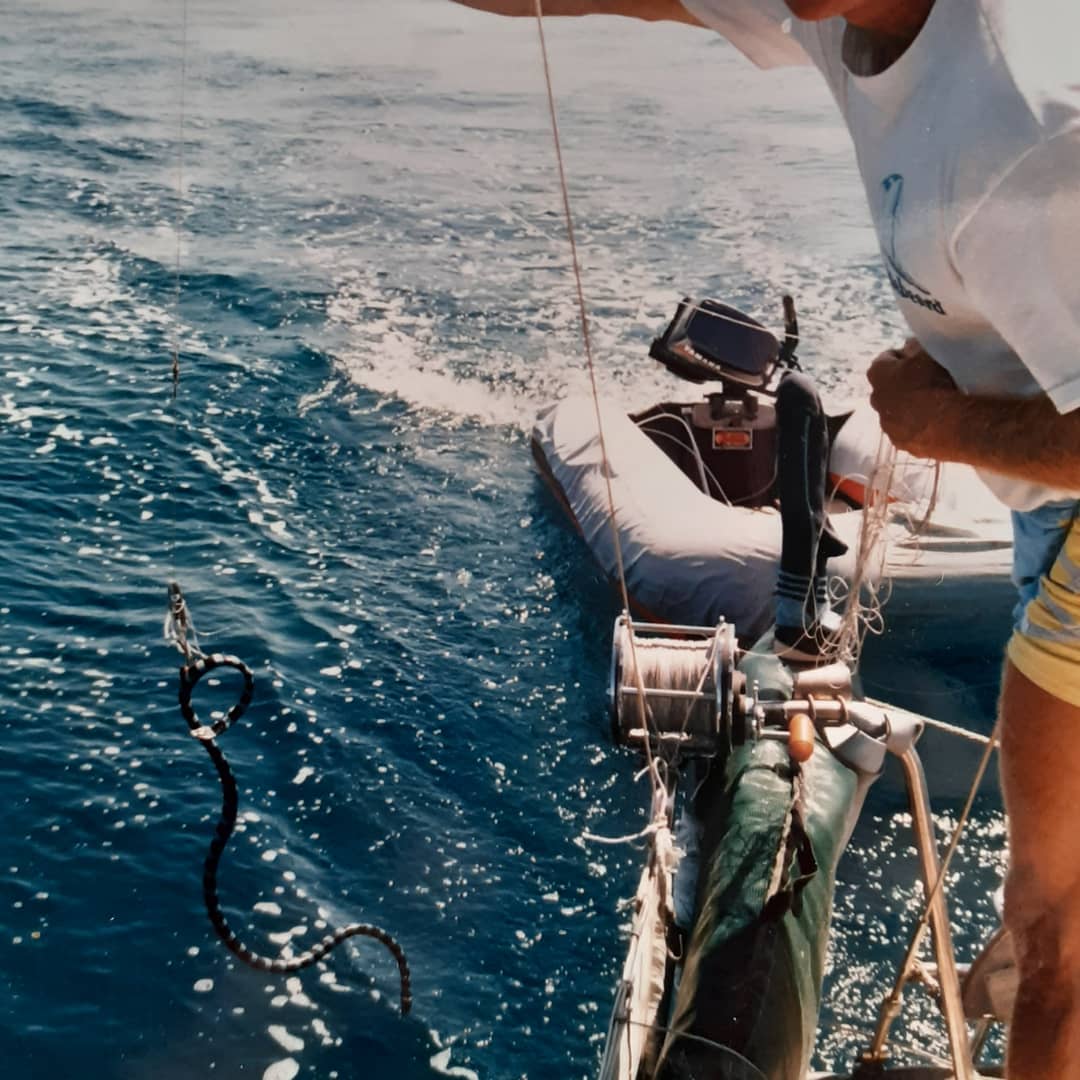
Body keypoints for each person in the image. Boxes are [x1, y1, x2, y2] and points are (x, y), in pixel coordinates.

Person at [451, 0, 1080, 1074]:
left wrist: (943, 423)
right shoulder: (841, 17)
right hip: (1042, 519)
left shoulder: (1026, 137)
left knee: (1056, 932)